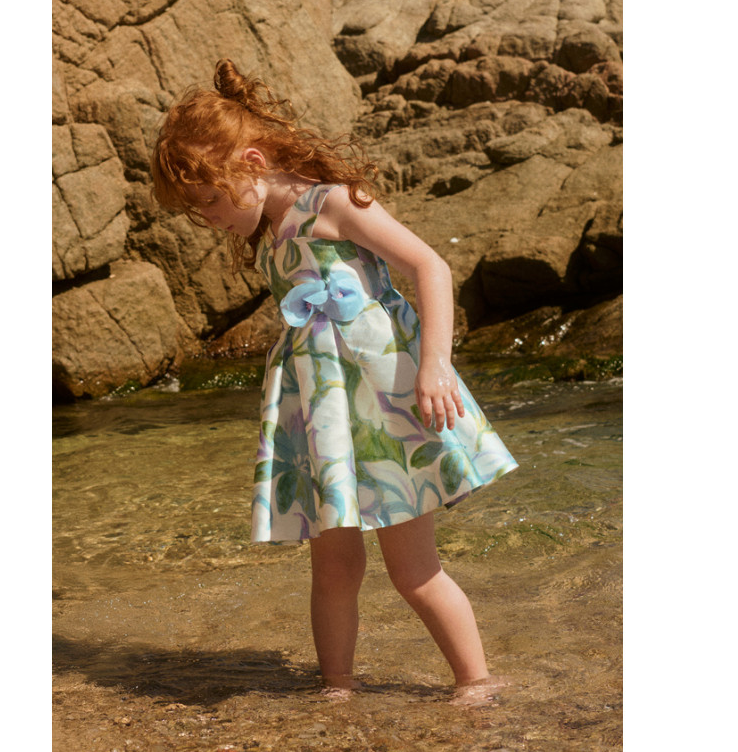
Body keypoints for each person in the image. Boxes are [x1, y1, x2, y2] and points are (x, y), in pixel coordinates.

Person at [151, 59, 519, 706]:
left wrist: (435, 365)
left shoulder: (335, 204)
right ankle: (336, 689)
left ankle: (476, 685)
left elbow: (430, 267)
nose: (209, 219)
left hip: (386, 402)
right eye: (197, 210)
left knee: (412, 570)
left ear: (253, 162)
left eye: (210, 200)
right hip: (322, 411)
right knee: (334, 567)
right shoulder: (272, 233)